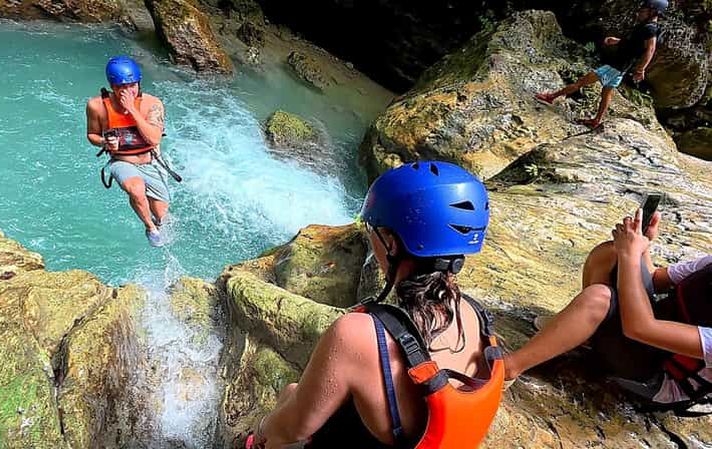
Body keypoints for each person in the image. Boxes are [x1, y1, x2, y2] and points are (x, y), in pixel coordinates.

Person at [246, 161, 505, 449]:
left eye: (373, 228)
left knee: (287, 405)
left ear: (392, 243)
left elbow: (292, 428)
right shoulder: (475, 316)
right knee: (298, 394)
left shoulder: (359, 335)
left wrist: (260, 430)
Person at [504, 209, 712, 408]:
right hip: (649, 334)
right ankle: (581, 334)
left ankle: (508, 370)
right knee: (612, 253)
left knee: (599, 298)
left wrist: (630, 255)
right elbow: (656, 278)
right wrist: (642, 246)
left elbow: (640, 328)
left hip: (656, 376)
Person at [535, 0, 667, 129]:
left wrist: (641, 69)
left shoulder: (650, 29)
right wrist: (617, 41)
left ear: (653, 12)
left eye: (643, 11)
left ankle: (551, 97)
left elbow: (650, 50)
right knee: (607, 92)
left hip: (615, 66)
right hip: (620, 68)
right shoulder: (647, 27)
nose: (639, 13)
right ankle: (596, 120)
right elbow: (633, 44)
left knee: (581, 82)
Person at [86, 55, 170, 247]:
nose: (128, 91)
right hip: (122, 161)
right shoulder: (96, 106)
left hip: (151, 161)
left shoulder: (152, 104)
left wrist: (131, 109)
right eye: (121, 87)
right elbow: (91, 135)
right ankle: (150, 227)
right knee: (136, 190)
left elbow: (154, 139)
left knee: (162, 215)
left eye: (132, 85)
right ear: (112, 87)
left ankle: (157, 222)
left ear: (139, 83)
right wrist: (105, 143)